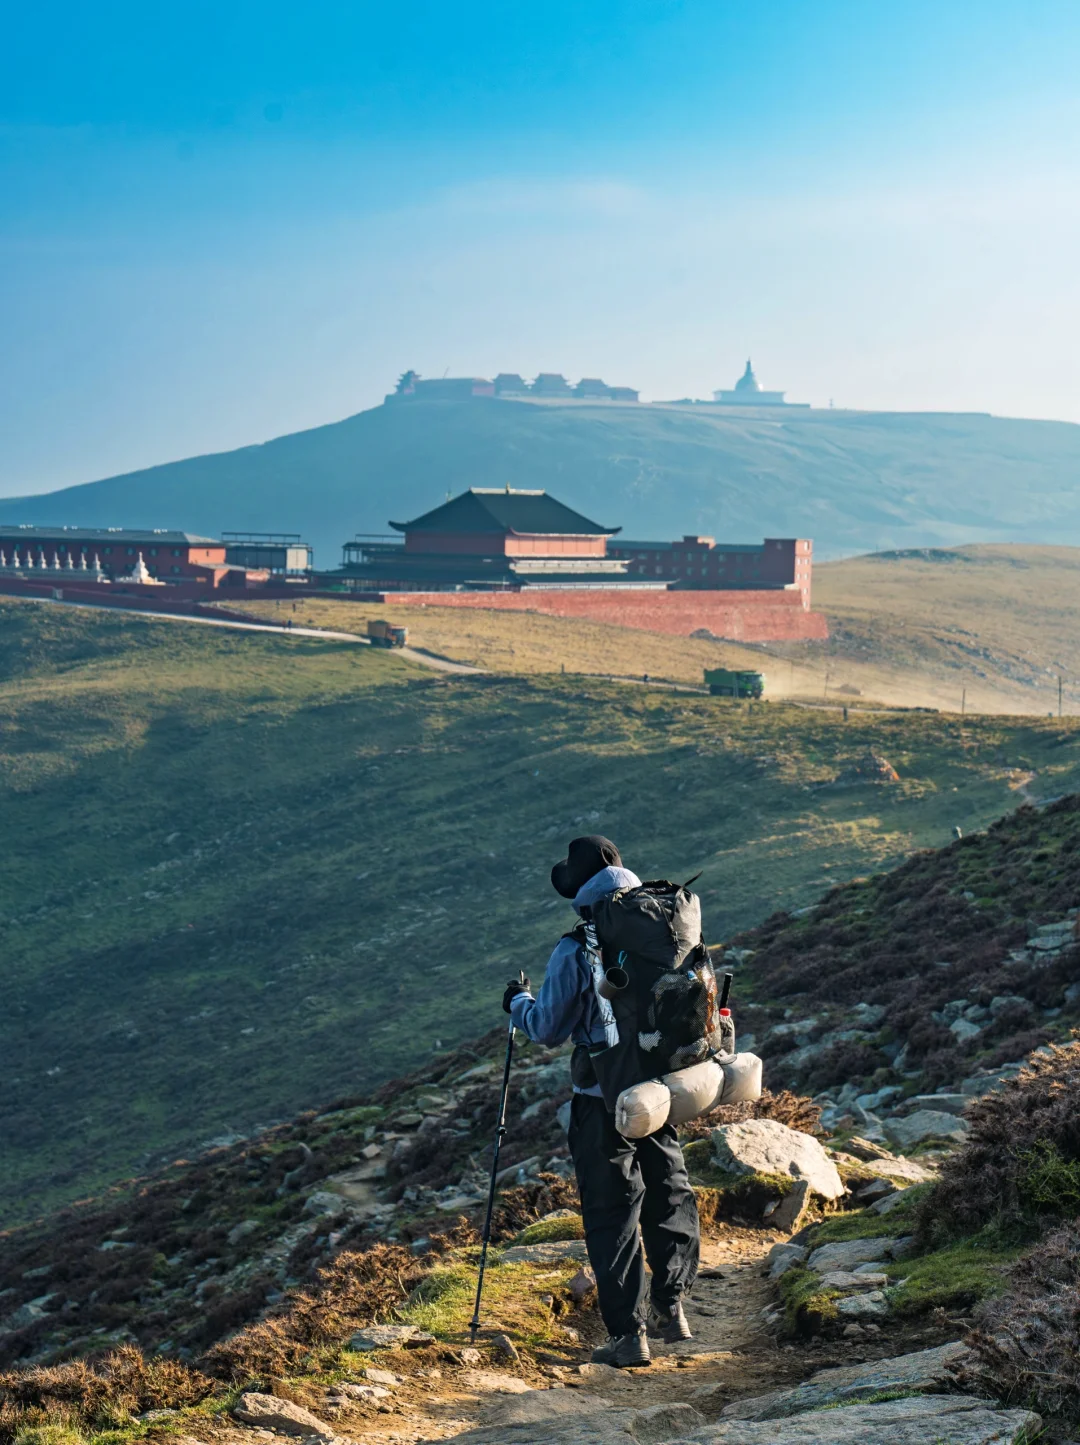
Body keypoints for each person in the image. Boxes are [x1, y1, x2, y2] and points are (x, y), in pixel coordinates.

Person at [502, 835, 700, 1368]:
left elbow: (546, 1028)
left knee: (613, 1211)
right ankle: (673, 1306)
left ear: (579, 889)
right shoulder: (667, 926)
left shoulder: (577, 946)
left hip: (602, 1095)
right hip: (662, 1089)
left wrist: (517, 1003)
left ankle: (628, 1335)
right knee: (668, 1190)